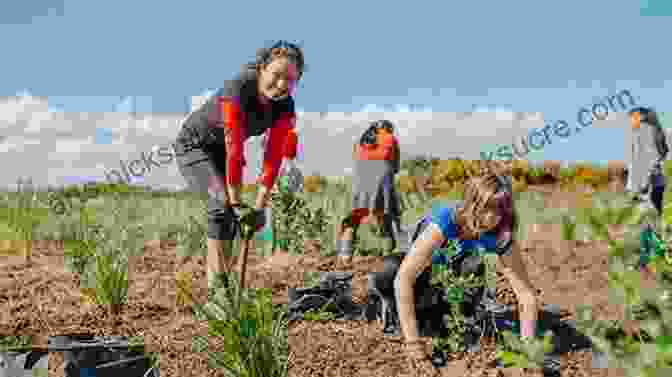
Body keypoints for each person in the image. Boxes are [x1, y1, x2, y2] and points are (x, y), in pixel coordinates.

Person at [173, 40, 304, 289]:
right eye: (276, 75)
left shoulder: (285, 106)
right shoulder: (238, 88)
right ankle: (217, 294)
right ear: (262, 68)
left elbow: (273, 155)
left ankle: (224, 285)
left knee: (233, 220)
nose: (281, 85)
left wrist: (258, 206)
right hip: (194, 146)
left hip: (222, 151)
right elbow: (234, 147)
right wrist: (235, 201)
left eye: (290, 80)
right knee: (223, 205)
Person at [389, 170, 538, 376]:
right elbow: (404, 278)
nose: (493, 217)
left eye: (500, 210)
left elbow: (526, 295)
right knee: (386, 274)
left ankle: (443, 314)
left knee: (473, 266)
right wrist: (414, 347)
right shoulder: (447, 219)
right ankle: (396, 314)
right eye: (487, 208)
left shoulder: (501, 235)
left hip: (448, 280)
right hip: (418, 272)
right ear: (472, 203)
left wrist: (528, 354)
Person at [335, 119, 401, 267]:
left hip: (359, 184)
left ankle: (345, 257)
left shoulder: (361, 140)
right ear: (388, 129)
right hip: (382, 184)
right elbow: (395, 168)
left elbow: (356, 160)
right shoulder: (391, 139)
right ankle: (388, 261)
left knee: (352, 221)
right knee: (384, 221)